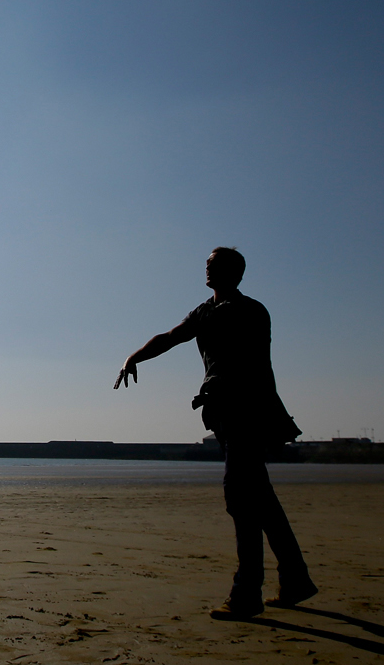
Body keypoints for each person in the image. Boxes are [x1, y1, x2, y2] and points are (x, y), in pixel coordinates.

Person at [115, 247, 316, 618]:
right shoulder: (206, 310)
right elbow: (173, 336)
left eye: (216, 265)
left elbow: (249, 364)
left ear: (235, 272)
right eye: (207, 264)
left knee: (240, 496)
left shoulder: (248, 311)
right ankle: (295, 580)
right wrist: (135, 356)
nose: (207, 268)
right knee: (261, 498)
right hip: (225, 412)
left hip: (248, 411)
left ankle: (246, 594)